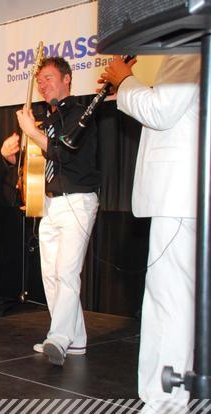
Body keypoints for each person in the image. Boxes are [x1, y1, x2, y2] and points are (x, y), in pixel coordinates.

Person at [101, 54, 200, 412]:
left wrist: (125, 80)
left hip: (178, 195)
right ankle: (159, 395)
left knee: (170, 301)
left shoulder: (190, 47)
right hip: (178, 196)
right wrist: (127, 87)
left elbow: (161, 111)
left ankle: (168, 401)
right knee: (164, 298)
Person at [1, 57, 100, 364]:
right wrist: (10, 157)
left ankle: (57, 337)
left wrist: (31, 131)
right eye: (39, 80)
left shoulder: (80, 113)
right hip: (50, 203)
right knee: (51, 275)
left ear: (67, 78)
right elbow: (35, 165)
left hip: (77, 200)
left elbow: (64, 152)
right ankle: (75, 339)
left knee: (67, 272)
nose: (42, 85)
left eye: (48, 78)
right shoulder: (46, 119)